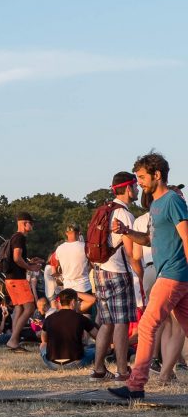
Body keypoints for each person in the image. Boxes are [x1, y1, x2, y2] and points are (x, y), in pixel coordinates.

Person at [109, 154, 188, 399]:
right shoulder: (154, 205)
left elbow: (186, 237)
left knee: (147, 325)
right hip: (171, 273)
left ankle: (136, 385)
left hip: (174, 274)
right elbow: (149, 240)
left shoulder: (173, 200)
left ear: (157, 175)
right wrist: (127, 231)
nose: (139, 182)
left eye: (142, 177)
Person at [90, 172, 141, 382]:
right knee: (121, 322)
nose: (137, 190)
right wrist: (139, 272)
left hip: (100, 270)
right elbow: (130, 252)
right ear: (128, 188)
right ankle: (122, 370)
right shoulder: (125, 215)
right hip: (118, 272)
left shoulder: (104, 211)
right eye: (135, 187)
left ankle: (98, 369)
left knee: (106, 323)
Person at [4, 212, 43, 351]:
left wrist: (30, 262)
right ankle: (13, 340)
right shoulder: (20, 237)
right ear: (24, 223)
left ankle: (14, 340)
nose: (32, 226)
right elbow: (16, 258)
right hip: (17, 279)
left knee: (19, 308)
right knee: (30, 308)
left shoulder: (14, 237)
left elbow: (17, 258)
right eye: (31, 223)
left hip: (10, 279)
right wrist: (30, 267)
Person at [39, 289, 98, 369]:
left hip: (53, 363)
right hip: (76, 362)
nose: (78, 303)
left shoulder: (49, 318)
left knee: (43, 345)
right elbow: (98, 337)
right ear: (73, 302)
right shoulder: (80, 318)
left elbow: (44, 340)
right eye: (78, 301)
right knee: (96, 348)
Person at [53, 224, 91, 294]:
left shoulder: (59, 248)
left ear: (66, 233)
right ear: (79, 233)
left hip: (68, 288)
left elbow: (56, 266)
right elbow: (92, 264)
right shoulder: (86, 247)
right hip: (84, 286)